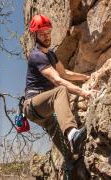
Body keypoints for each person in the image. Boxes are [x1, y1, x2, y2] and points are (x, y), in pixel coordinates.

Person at [22, 14, 90, 157]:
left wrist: (85, 77)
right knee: (60, 91)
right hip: (32, 105)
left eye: (48, 32)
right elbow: (58, 81)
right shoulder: (36, 56)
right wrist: (83, 93)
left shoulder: (51, 54)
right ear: (35, 35)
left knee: (67, 152)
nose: (46, 36)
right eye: (42, 34)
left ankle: (70, 163)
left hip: (43, 110)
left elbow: (64, 73)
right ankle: (72, 133)